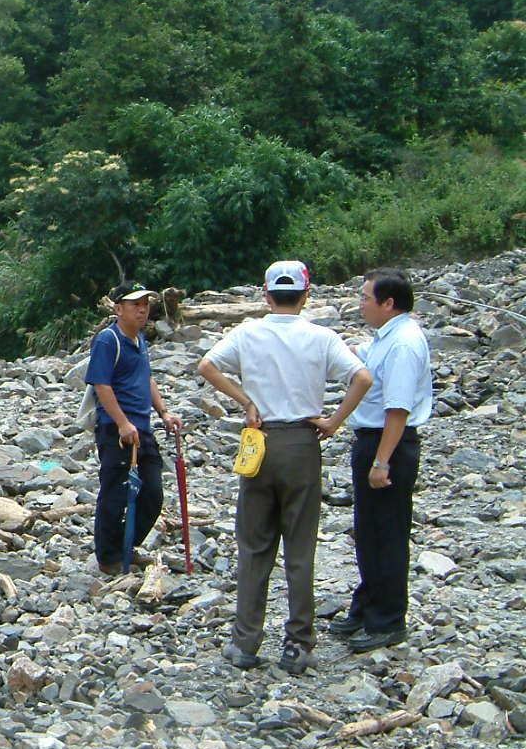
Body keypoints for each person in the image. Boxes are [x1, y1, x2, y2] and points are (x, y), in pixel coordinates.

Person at [197, 260, 373, 674]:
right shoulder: (321, 336)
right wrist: (334, 421)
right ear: (306, 295)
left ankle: (245, 642)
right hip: (302, 443)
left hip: (260, 441)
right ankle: (297, 644)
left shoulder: (248, 331)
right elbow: (362, 378)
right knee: (299, 547)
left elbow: (207, 366)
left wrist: (246, 401)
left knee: (254, 545)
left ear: (267, 294)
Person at [330, 268, 432, 652]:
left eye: (366, 299)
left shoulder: (405, 343)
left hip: (388, 443)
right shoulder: (385, 337)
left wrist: (381, 462)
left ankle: (389, 619)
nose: (361, 305)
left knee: (388, 532)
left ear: (389, 303)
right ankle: (368, 604)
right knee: (368, 531)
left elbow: (398, 409)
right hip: (371, 439)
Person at [86, 281, 183, 575]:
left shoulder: (141, 341)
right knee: (115, 493)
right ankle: (108, 558)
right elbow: (101, 384)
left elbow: (147, 378)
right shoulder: (108, 340)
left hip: (142, 428)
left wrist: (164, 412)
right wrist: (122, 423)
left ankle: (126, 547)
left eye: (145, 304)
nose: (142, 309)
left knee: (152, 493)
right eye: (135, 305)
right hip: (116, 430)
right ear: (118, 309)